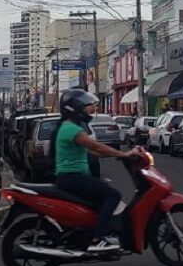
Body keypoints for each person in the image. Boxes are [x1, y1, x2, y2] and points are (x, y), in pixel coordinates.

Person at [53, 89, 142, 252]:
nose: (91, 109)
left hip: (71, 177)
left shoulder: (69, 127)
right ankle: (98, 237)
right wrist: (124, 153)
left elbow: (93, 151)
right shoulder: (72, 129)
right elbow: (96, 146)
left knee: (99, 200)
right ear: (75, 107)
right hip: (73, 178)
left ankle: (91, 231)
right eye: (87, 106)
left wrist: (116, 155)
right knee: (113, 195)